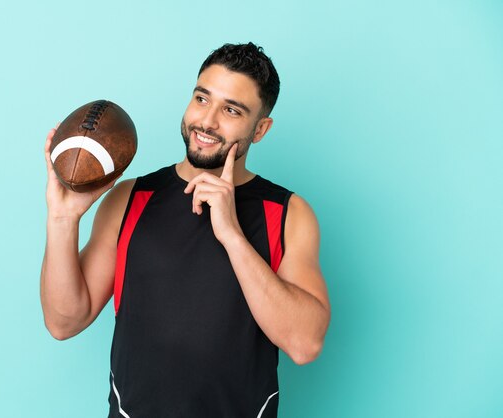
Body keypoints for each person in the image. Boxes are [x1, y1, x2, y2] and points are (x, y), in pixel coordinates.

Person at [40, 42, 331, 418]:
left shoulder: (288, 213)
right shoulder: (130, 198)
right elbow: (64, 322)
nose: (207, 121)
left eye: (231, 110)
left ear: (260, 129)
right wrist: (63, 220)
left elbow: (305, 344)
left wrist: (231, 235)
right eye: (201, 98)